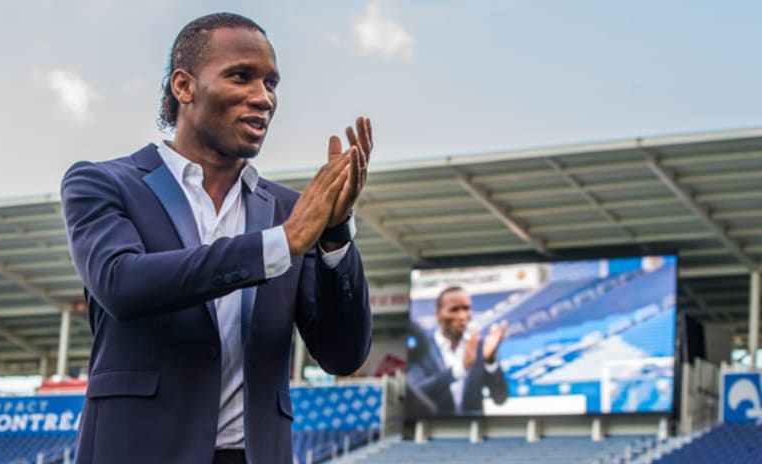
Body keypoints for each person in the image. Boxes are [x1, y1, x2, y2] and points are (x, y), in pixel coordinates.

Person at [60, 12, 373, 464]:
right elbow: (121, 284)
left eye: (271, 84)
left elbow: (343, 356)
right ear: (183, 87)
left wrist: (334, 235)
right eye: (242, 77)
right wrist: (279, 245)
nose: (263, 98)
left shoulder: (290, 211)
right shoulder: (103, 183)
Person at [407, 286, 508, 416]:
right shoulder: (422, 349)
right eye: (454, 310)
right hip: (434, 430)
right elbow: (418, 391)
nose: (462, 316)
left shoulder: (480, 346)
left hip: (475, 431)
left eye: (466, 308)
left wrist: (490, 361)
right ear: (438, 314)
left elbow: (500, 398)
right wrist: (460, 370)